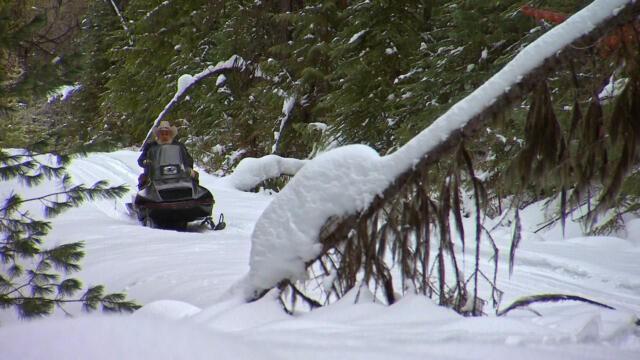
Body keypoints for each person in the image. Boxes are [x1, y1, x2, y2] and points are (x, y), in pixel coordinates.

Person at [137, 120, 198, 189]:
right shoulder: (150, 146)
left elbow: (188, 158)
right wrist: (145, 161)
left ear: (170, 134)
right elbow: (141, 159)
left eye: (166, 133)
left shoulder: (179, 145)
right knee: (143, 179)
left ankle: (195, 194)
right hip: (155, 173)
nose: (164, 135)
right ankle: (143, 197)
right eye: (162, 133)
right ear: (158, 134)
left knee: (194, 176)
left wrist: (188, 167)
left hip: (177, 172)